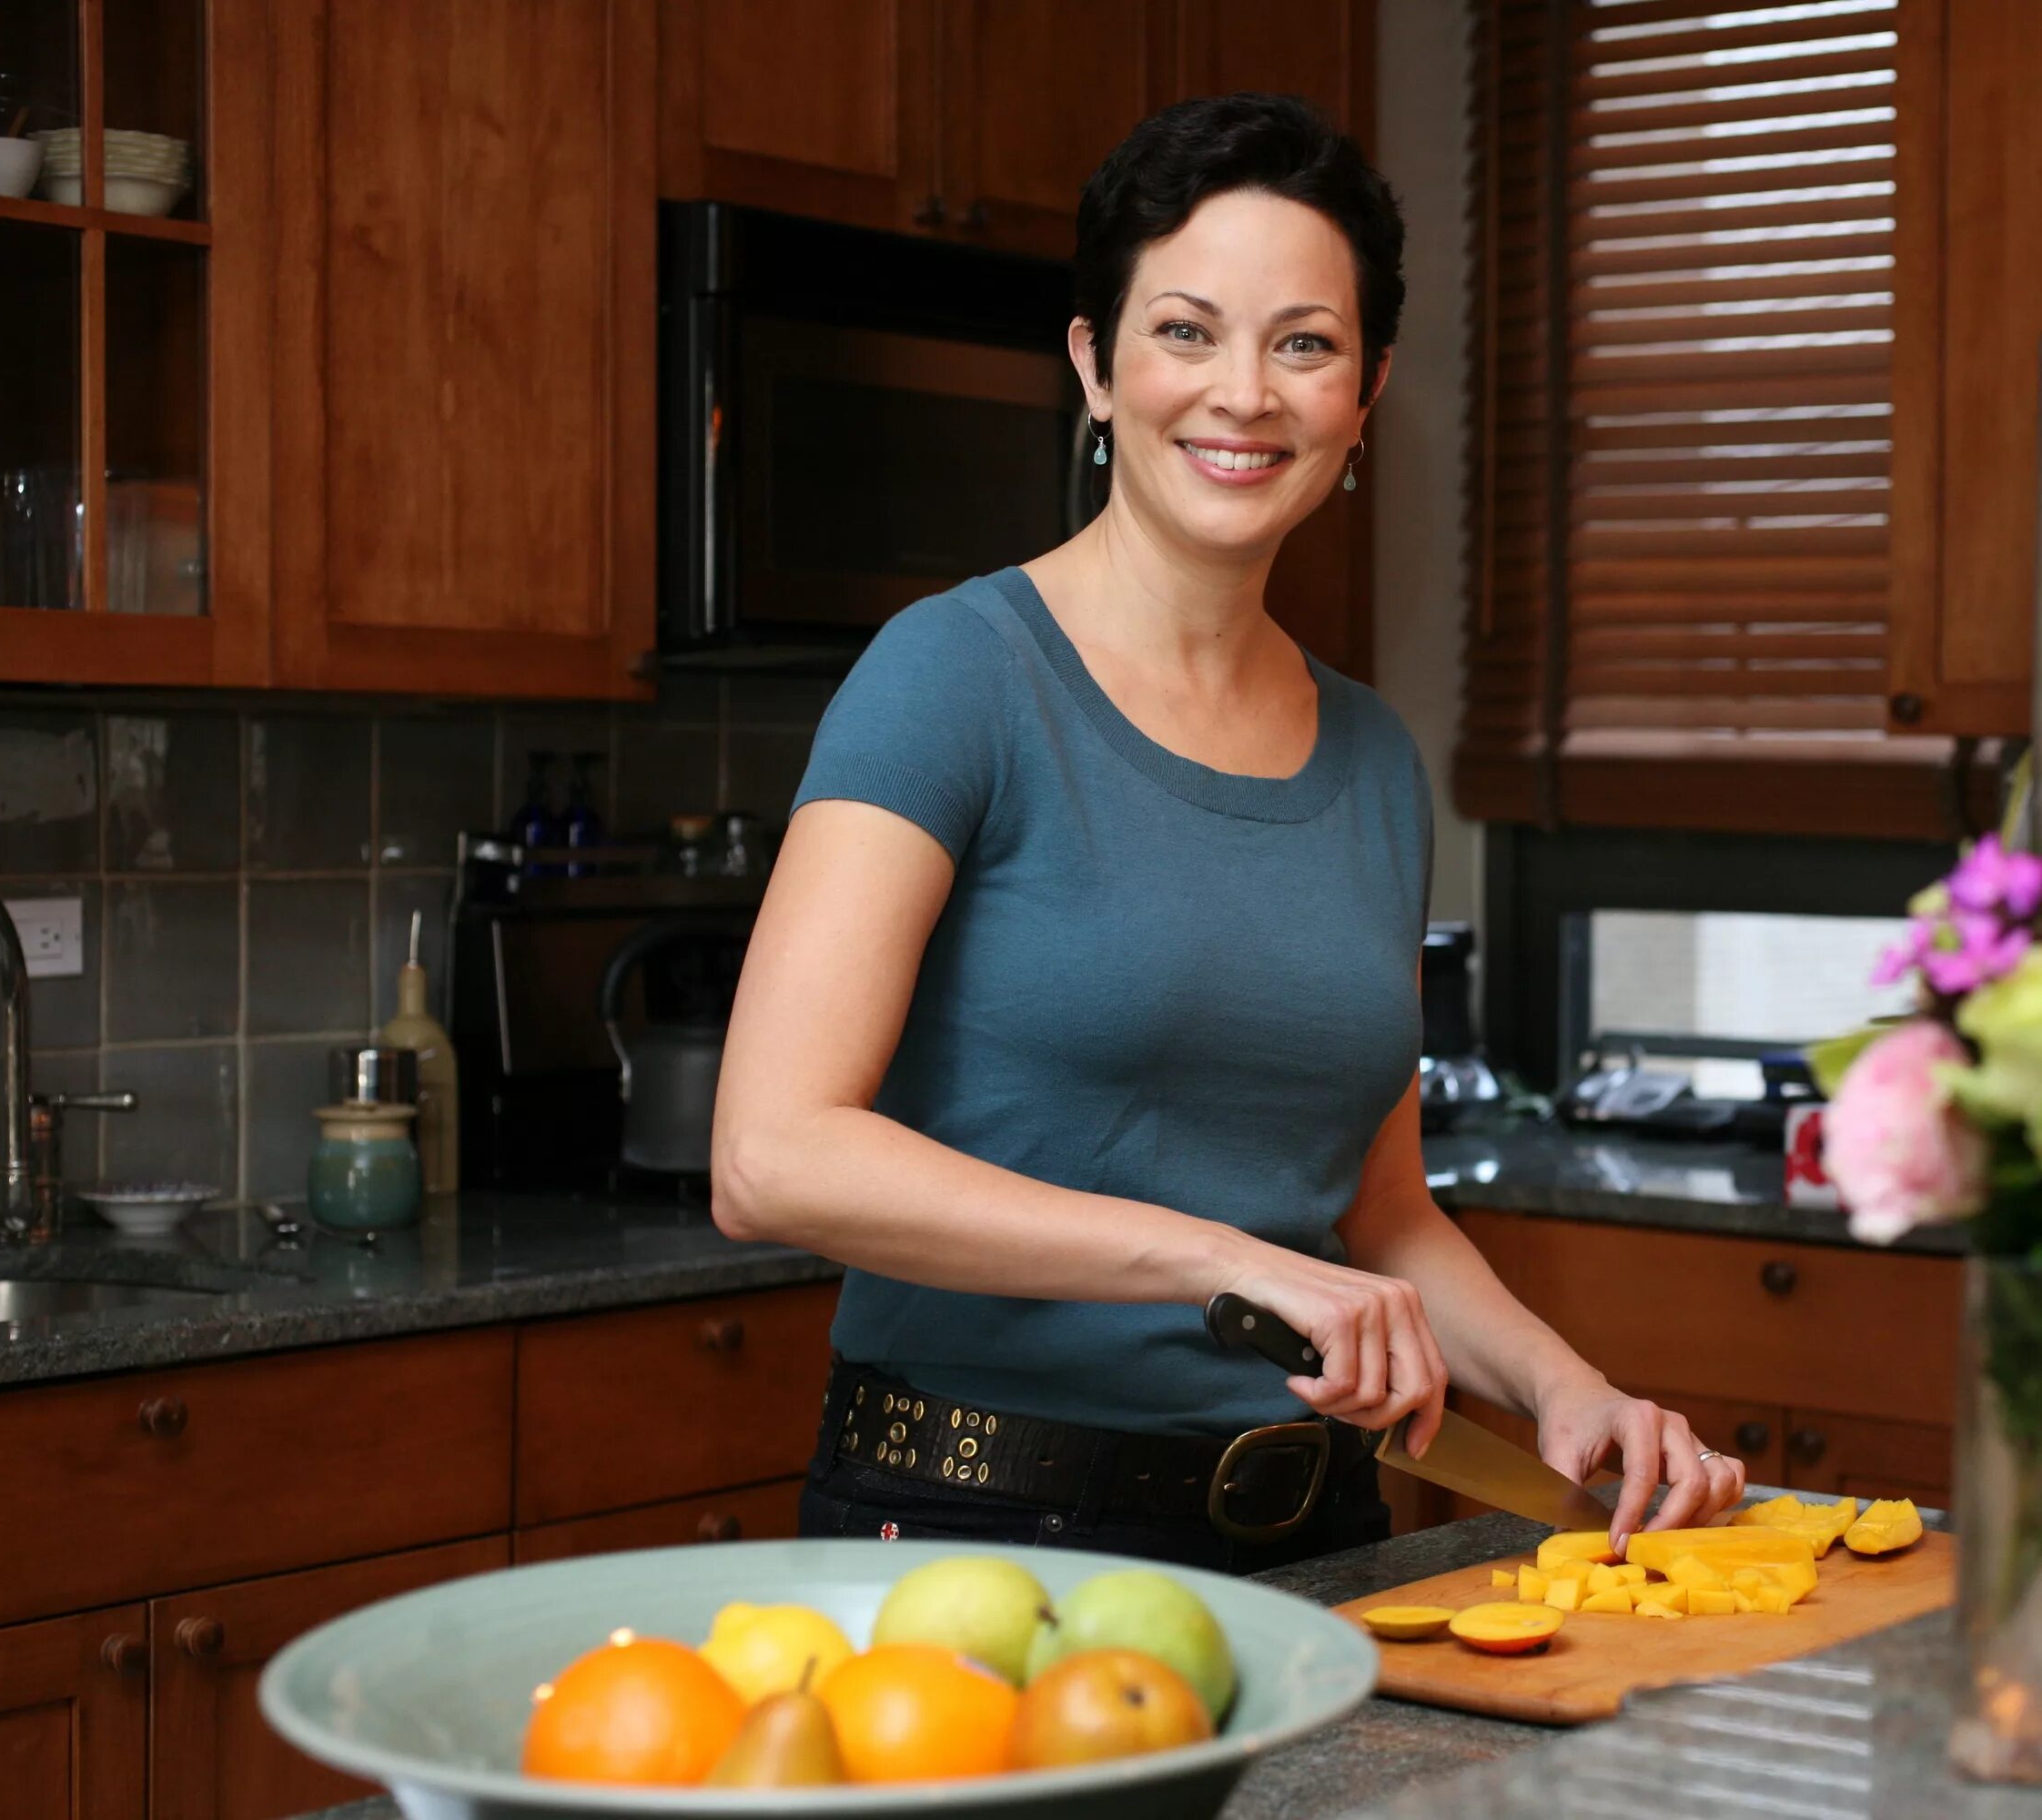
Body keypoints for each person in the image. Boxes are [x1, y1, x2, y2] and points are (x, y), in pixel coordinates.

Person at [713, 94, 1744, 1572]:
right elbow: (772, 1157)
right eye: (1187, 332)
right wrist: (1223, 1264)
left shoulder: (1379, 762)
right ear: (1096, 364)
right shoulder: (954, 676)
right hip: (975, 1534)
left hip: (1321, 1539)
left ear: (1367, 394)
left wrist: (1562, 1385)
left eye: (1305, 344)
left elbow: (1380, 1221)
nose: (1244, 393)